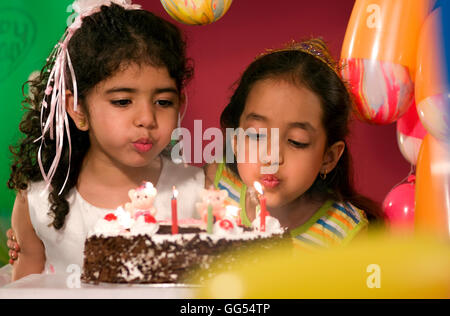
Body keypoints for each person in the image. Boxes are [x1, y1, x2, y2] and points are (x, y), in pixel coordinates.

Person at [3, 0, 204, 281]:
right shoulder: (36, 198)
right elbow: (26, 281)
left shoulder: (198, 191)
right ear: (78, 109)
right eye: (122, 101)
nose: (147, 118)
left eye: (163, 101)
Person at [206, 38, 384, 250]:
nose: (271, 156)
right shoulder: (216, 186)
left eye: (296, 141)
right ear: (235, 141)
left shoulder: (345, 235)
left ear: (329, 157)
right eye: (256, 135)